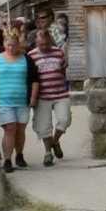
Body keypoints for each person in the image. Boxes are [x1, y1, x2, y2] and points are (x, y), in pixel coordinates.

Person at [28, 22, 71, 166]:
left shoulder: (58, 52)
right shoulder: (31, 56)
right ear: (36, 42)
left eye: (46, 44)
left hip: (60, 93)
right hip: (42, 96)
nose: (44, 47)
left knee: (64, 120)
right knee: (44, 126)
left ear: (49, 41)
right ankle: (48, 153)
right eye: (41, 45)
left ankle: (55, 141)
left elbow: (63, 70)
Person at [0, 25, 34, 171]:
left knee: (20, 130)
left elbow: (34, 79)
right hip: (4, 100)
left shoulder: (26, 59)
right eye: (8, 45)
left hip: (22, 100)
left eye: (14, 45)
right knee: (10, 128)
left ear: (18, 45)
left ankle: (20, 154)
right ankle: (7, 160)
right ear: (4, 44)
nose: (11, 47)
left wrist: (33, 97)